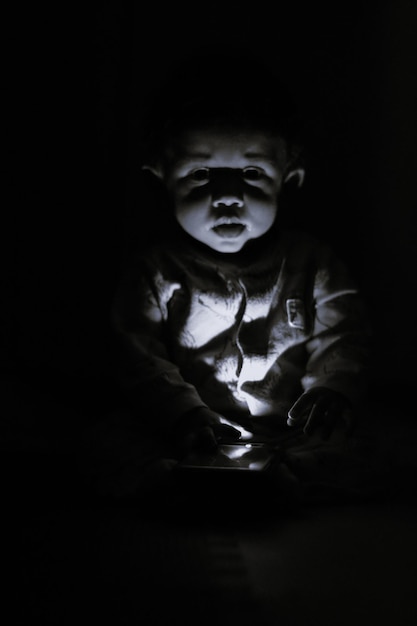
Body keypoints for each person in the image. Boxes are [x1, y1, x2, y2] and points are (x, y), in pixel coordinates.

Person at [105, 52, 373, 503]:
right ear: (161, 179)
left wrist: (331, 389)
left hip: (285, 432)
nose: (228, 196)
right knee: (108, 441)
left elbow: (344, 337)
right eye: (201, 175)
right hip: (182, 429)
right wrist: (184, 415)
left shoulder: (314, 265)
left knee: (368, 451)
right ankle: (185, 482)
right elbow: (137, 358)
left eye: (251, 173)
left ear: (289, 179)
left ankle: (271, 482)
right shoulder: (154, 272)